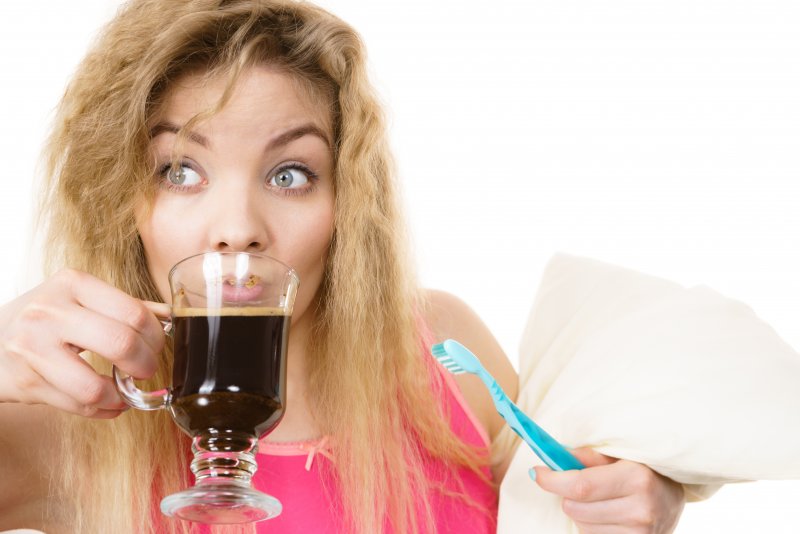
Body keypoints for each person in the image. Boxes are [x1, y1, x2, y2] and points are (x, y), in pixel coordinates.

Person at [0, 1, 686, 532]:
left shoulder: (440, 348)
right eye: (181, 170)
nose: (238, 229)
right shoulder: (75, 433)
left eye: (291, 173)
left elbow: (563, 505)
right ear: (125, 202)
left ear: (344, 202)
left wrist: (630, 501)